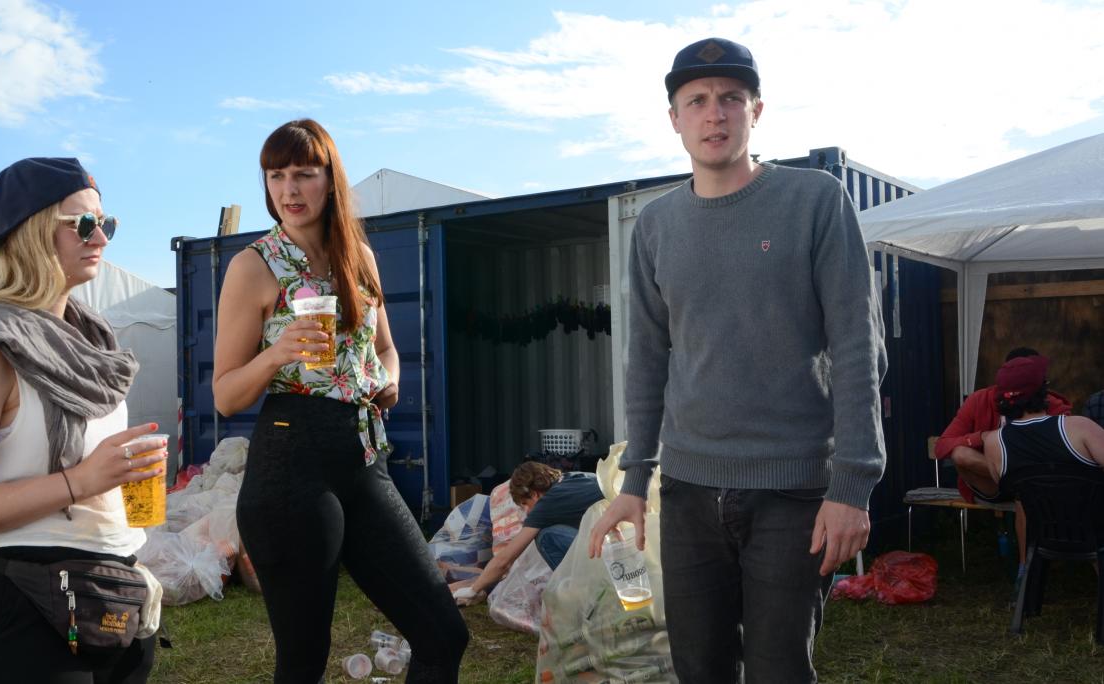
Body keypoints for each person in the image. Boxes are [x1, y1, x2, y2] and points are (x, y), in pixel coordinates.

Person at [588, 37, 888, 682]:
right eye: (696, 101)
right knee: (700, 668)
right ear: (675, 118)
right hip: (689, 491)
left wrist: (852, 486)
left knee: (780, 670)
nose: (714, 114)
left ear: (757, 110)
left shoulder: (815, 200)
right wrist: (635, 482)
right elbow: (647, 360)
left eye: (731, 98)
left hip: (792, 490)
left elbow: (859, 347)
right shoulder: (656, 225)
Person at [211, 119, 469, 683]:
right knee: (303, 661)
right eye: (276, 175)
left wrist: (389, 381)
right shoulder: (254, 265)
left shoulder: (359, 259)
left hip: (363, 458)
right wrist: (277, 353)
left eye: (304, 174)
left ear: (331, 180)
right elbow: (226, 394)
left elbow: (387, 349)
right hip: (290, 465)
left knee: (444, 634)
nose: (289, 190)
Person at [0, 157, 165, 682]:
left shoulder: (92, 343)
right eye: (84, 224)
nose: (102, 238)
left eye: (107, 223)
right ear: (31, 233)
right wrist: (81, 481)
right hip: (22, 613)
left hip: (110, 594)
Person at [933, 346, 1071, 568]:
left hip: (1038, 485)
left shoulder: (1052, 405)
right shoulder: (981, 399)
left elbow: (1067, 447)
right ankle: (1031, 568)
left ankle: (1026, 570)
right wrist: (982, 437)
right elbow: (942, 447)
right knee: (961, 454)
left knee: (1026, 493)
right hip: (993, 481)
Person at [452, 462, 603, 605]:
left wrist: (473, 590)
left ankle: (583, 597)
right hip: (614, 543)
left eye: (525, 504)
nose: (528, 511)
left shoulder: (547, 503)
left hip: (608, 555)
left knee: (546, 536)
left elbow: (504, 560)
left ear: (534, 494)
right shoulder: (576, 478)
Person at [982, 354, 1104, 498]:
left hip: (1035, 513)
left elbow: (1015, 494)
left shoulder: (994, 444)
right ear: (1043, 391)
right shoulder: (1080, 427)